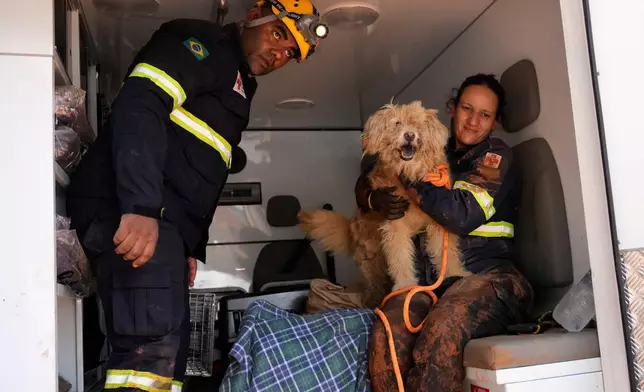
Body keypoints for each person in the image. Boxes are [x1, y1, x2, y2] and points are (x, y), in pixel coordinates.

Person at [65, 1, 328, 391]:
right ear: (255, 16)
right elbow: (141, 104)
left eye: (291, 53)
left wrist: (191, 245)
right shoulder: (201, 41)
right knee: (148, 356)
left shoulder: (241, 85)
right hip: (131, 211)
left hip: (165, 225)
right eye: (279, 35)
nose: (279, 55)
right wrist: (140, 207)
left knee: (169, 358)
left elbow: (204, 172)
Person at [354, 74, 534, 392]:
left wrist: (408, 176)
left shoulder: (496, 158)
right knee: (387, 329)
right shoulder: (433, 147)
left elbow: (460, 215)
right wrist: (373, 198)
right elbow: (370, 173)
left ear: (495, 123)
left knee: (445, 322)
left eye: (485, 115)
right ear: (453, 109)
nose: (473, 121)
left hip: (494, 280)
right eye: (467, 108)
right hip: (440, 287)